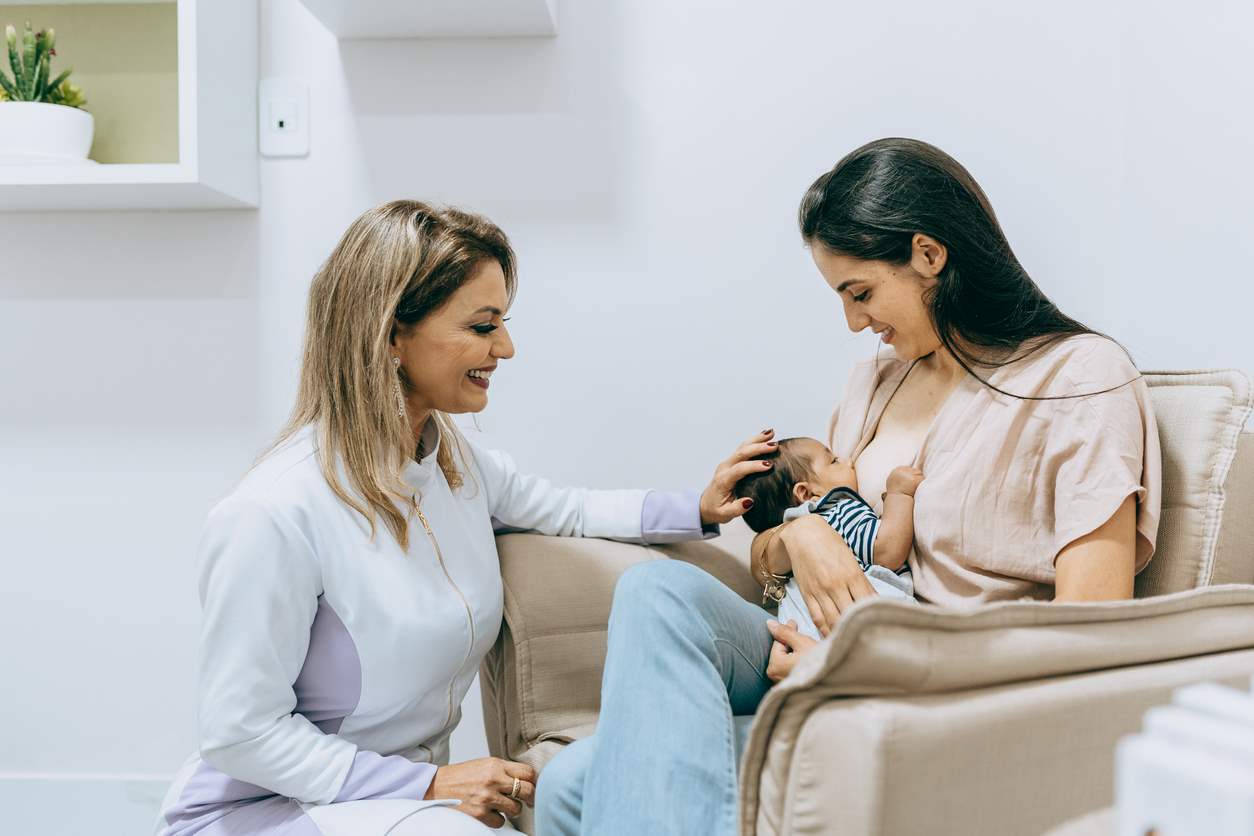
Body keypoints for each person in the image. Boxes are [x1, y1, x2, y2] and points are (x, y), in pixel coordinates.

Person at [534, 137, 1162, 835]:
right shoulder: (875, 383)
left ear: (929, 254)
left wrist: (865, 668)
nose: (854, 322)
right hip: (814, 640)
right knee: (652, 591)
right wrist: (798, 535)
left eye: (860, 292)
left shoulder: (1078, 379)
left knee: (568, 786)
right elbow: (777, 553)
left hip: (926, 690)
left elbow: (1094, 638)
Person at [153, 201, 765, 836]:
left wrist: (697, 506)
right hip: (266, 813)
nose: (506, 347)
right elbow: (239, 733)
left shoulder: (452, 465)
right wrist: (426, 783)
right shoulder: (273, 512)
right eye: (482, 325)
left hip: (394, 805)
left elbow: (565, 508)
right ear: (391, 334)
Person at [735, 436, 920, 641]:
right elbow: (887, 551)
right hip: (876, 628)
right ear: (805, 492)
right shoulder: (836, 510)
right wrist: (899, 493)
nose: (849, 461)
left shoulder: (791, 542)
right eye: (834, 461)